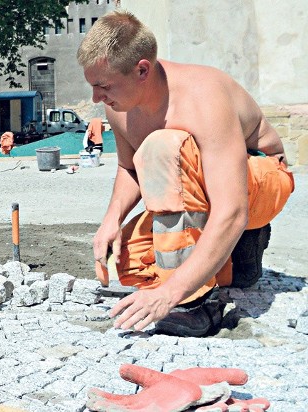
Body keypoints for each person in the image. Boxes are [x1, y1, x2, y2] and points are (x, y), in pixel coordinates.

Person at [77, 11, 294, 337]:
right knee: (129, 261)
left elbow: (232, 210)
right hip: (209, 189)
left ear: (142, 71)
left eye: (103, 86)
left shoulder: (203, 97)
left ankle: (197, 305)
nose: (96, 98)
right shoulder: (118, 105)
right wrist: (111, 220)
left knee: (164, 147)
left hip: (260, 178)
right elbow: (129, 168)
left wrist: (172, 293)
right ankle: (237, 258)